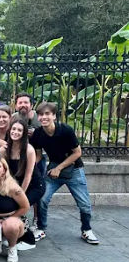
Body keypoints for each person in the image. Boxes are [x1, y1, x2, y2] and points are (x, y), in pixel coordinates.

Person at [31, 102, 99, 244]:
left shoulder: (65, 130)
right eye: (41, 114)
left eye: (47, 114)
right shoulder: (38, 134)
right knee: (42, 198)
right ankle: (41, 228)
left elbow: (77, 153)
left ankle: (86, 230)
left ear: (54, 116)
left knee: (84, 203)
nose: (44, 117)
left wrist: (59, 168)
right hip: (54, 170)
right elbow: (37, 156)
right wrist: (30, 168)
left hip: (74, 170)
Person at [0, 118, 46, 250]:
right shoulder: (4, 150)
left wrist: (20, 195)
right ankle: (16, 236)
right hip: (15, 185)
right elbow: (5, 173)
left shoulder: (29, 150)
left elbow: (28, 175)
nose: (16, 132)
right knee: (8, 207)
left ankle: (29, 240)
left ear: (24, 133)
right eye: (14, 129)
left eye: (19, 130)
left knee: (19, 208)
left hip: (34, 186)